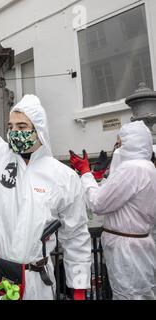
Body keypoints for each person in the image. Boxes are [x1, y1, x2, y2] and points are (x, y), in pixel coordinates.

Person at [0, 33, 91, 300]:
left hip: (34, 282)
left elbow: (77, 236)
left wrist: (79, 289)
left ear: (39, 131)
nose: (14, 132)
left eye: (22, 127)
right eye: (11, 127)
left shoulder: (64, 178)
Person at [70, 121, 156, 300]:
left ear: (132, 144)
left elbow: (98, 203)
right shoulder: (147, 168)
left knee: (129, 295)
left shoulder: (131, 169)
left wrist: (85, 173)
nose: (117, 148)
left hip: (127, 251)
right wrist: (98, 177)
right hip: (137, 247)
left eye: (120, 143)